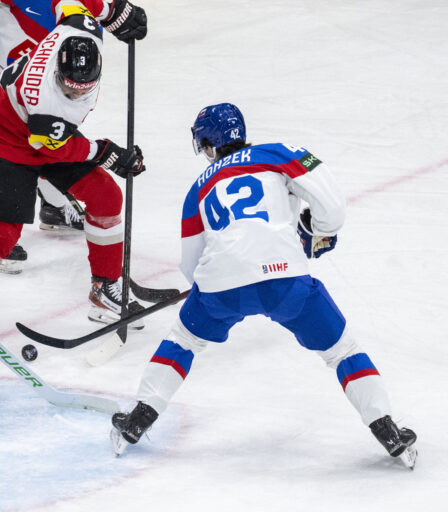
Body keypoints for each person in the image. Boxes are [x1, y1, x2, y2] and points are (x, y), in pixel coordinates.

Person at [109, 103, 418, 468]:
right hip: (287, 281)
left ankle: (138, 419)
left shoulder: (199, 186)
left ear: (209, 144)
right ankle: (386, 429)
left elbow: (189, 265)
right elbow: (331, 207)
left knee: (183, 341)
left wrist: (214, 286)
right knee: (342, 351)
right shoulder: (277, 153)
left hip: (219, 289)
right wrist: (318, 233)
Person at [0, 4, 147, 328]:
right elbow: (56, 149)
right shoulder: (43, 98)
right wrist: (107, 152)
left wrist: (113, 11)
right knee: (1, 236)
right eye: (68, 87)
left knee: (106, 196)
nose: (75, 93)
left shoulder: (81, 27)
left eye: (83, 88)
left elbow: (68, 3)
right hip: (6, 137)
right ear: (57, 73)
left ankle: (105, 290)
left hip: (47, 133)